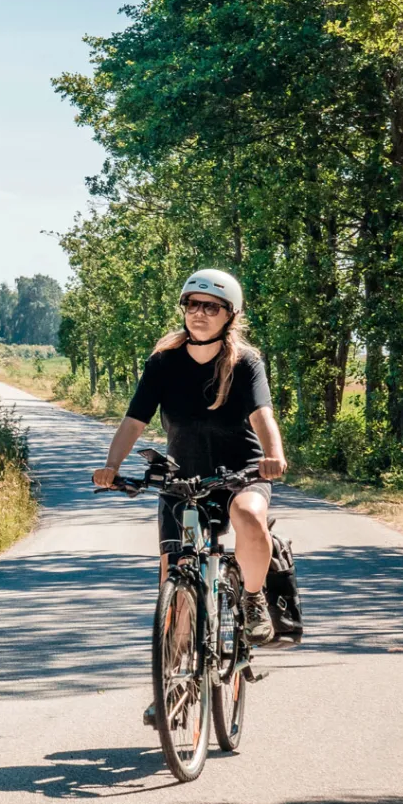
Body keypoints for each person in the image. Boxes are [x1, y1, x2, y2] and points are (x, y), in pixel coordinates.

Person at [91, 269, 289, 657]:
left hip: (242, 471)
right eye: (192, 304)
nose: (199, 313)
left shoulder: (245, 363)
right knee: (174, 576)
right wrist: (111, 465)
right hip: (182, 476)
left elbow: (262, 415)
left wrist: (273, 456)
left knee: (249, 516)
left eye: (211, 307)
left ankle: (252, 599)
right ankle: (174, 681)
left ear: (229, 314)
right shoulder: (163, 363)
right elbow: (134, 420)